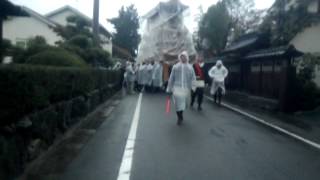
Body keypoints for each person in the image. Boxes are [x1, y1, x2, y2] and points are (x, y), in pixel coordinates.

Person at [167, 51, 196, 126]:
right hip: (177, 88)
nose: (183, 58)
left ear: (187, 57)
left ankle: (181, 114)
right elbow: (171, 78)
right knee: (177, 104)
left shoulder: (190, 67)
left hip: (186, 88)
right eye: (181, 56)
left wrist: (193, 87)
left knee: (184, 104)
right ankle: (179, 117)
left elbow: (193, 78)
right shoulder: (175, 67)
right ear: (180, 57)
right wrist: (169, 89)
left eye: (184, 56)